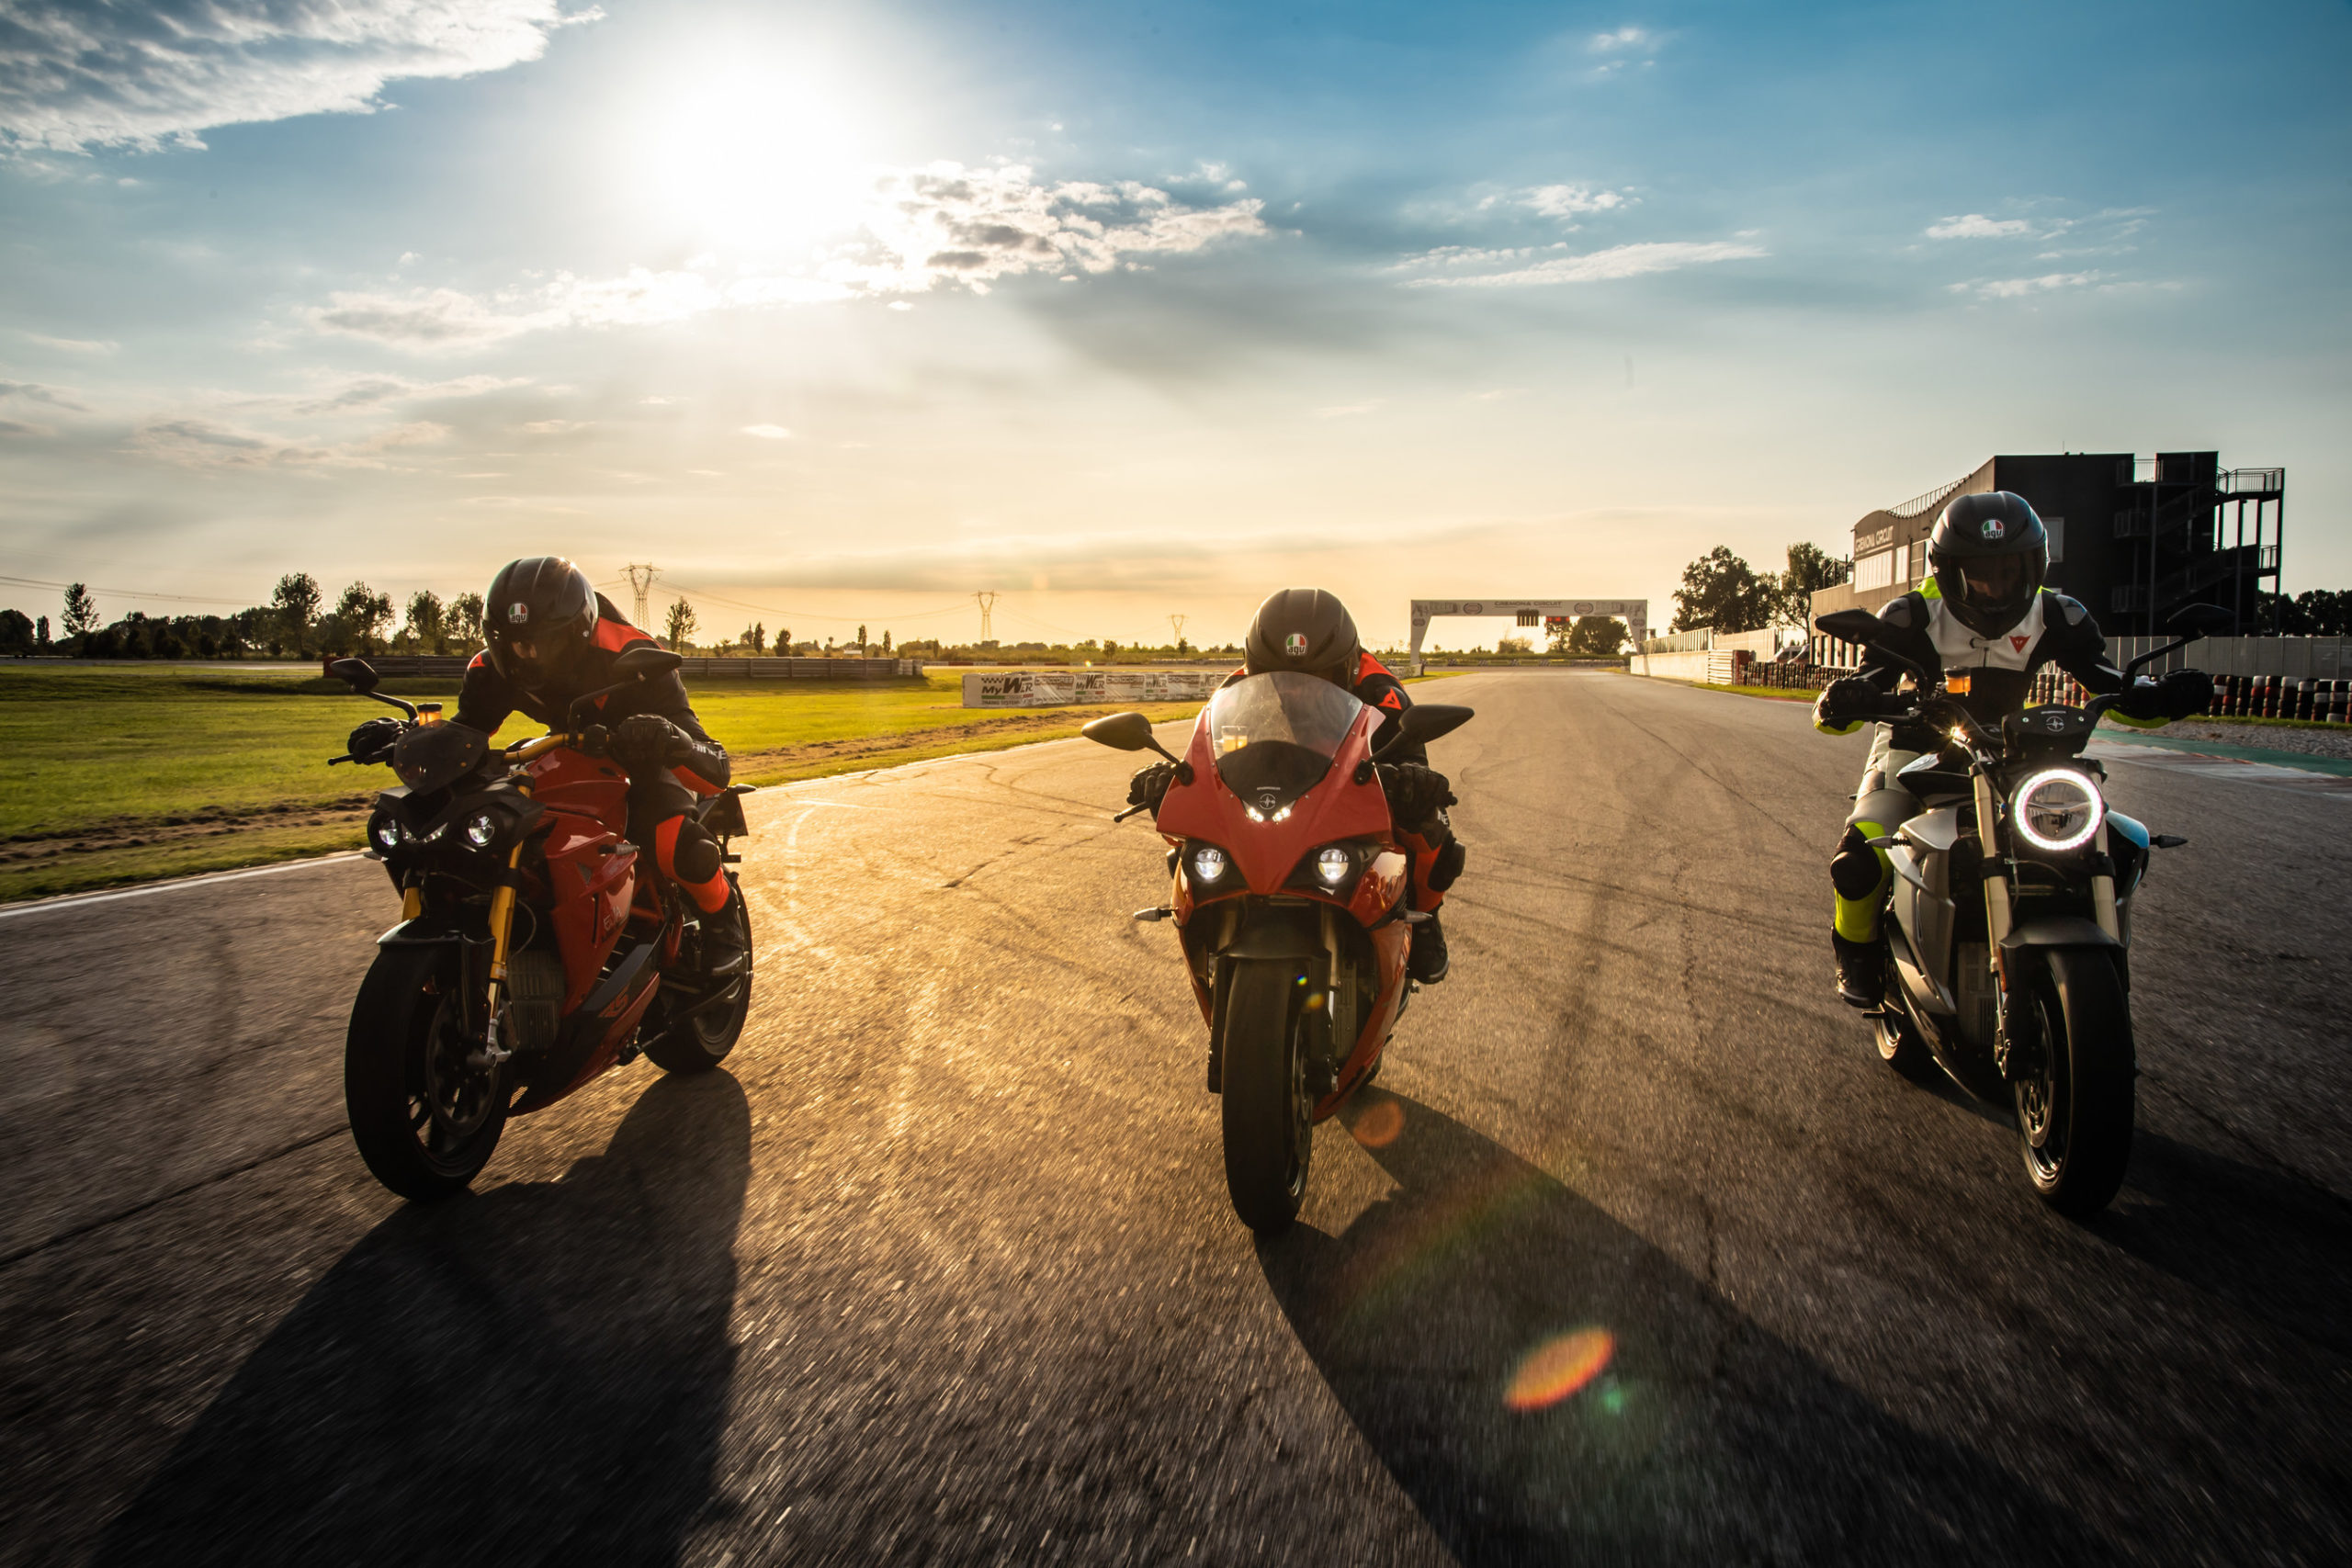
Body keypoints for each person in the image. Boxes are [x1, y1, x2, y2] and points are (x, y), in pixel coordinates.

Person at [1813, 492, 2210, 1006]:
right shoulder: (1911, 616)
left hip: (2017, 753)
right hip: (1912, 753)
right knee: (1860, 855)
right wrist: (1843, 699)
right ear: (1948, 570)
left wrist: (2163, 695)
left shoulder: (2058, 615)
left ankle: (2102, 964)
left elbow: (2111, 683)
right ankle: (1856, 952)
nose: (1995, 586)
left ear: (2033, 566)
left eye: (2008, 571)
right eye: (1979, 572)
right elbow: (1845, 703)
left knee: (2115, 840)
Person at [350, 556, 742, 970]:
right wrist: (405, 736)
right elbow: (467, 734)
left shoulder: (634, 655)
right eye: (514, 643)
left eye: (544, 642)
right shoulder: (492, 667)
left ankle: (723, 921)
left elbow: (715, 769)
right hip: (568, 750)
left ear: (578, 633)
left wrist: (667, 737)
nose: (528, 654)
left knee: (674, 844)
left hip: (642, 758)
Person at [1126, 587, 1465, 984]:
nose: (1297, 689)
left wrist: (1412, 779)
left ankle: (1426, 922)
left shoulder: (1383, 693)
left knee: (1428, 823)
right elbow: (1215, 755)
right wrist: (1170, 777)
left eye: (1317, 678)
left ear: (1347, 667)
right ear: (1255, 668)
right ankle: (1208, 924)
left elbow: (1411, 757)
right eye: (1278, 678)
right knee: (1194, 846)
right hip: (1277, 787)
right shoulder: (1235, 693)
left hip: (1356, 785)